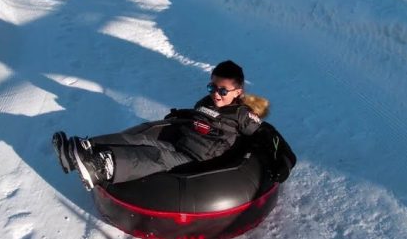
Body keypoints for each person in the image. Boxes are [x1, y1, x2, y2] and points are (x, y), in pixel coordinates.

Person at [52, 60, 269, 190]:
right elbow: (195, 116)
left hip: (197, 160)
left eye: (222, 91)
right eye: (212, 87)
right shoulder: (205, 102)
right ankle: (82, 149)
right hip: (182, 142)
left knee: (154, 157)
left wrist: (271, 158)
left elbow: (262, 134)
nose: (216, 94)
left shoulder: (241, 115)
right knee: (140, 138)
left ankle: (101, 168)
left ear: (238, 92)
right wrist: (179, 116)